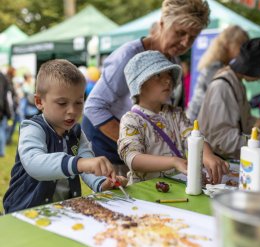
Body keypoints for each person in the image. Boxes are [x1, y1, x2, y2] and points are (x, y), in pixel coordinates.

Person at [82, 0, 210, 177]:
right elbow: (93, 107)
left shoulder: (174, 62)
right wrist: (133, 141)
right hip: (110, 149)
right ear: (163, 23)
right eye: (180, 33)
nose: (185, 42)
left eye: (192, 37)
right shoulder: (129, 54)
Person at [3, 59, 127, 213]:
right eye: (62, 103)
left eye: (78, 103)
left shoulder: (76, 131)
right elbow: (34, 163)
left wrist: (102, 182)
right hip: (25, 211)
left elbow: (87, 164)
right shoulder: (33, 128)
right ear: (39, 101)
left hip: (62, 212)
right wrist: (79, 163)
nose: (72, 111)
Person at [118, 51, 229, 184]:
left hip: (175, 188)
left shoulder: (176, 114)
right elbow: (133, 158)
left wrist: (207, 154)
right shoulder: (131, 120)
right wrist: (173, 162)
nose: (168, 80)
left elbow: (192, 135)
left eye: (169, 74)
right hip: (145, 193)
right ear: (139, 84)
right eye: (158, 75)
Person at [197, 38, 260, 159]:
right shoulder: (222, 86)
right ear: (252, 66)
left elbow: (241, 122)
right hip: (216, 162)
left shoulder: (237, 83)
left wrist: (257, 124)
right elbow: (222, 140)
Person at [186, 25, 249, 121]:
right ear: (230, 44)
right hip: (197, 122)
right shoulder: (214, 67)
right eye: (241, 45)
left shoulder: (218, 65)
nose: (243, 51)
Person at [0, 72, 11, 157]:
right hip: (2, 109)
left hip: (2, 109)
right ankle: (1, 152)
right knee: (2, 130)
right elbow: (6, 97)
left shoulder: (3, 77)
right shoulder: (3, 77)